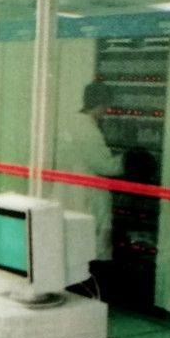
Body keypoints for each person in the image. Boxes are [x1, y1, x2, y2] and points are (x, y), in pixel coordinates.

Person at [52, 80, 123, 263]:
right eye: (106, 106)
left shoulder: (69, 122)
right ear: (100, 104)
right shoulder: (89, 131)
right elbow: (105, 166)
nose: (106, 111)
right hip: (86, 197)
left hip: (68, 194)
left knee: (71, 248)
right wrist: (128, 160)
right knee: (91, 249)